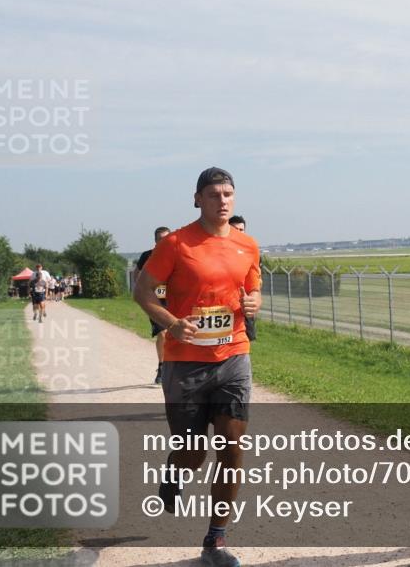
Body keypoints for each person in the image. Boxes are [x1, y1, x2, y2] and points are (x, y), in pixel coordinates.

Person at [133, 168, 261, 567]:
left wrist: (255, 301)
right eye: (213, 194)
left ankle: (215, 540)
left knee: (231, 447)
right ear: (197, 199)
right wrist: (173, 323)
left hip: (234, 356)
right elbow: (142, 291)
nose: (222, 200)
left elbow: (252, 286)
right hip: (185, 363)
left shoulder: (248, 245)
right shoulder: (175, 243)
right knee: (193, 453)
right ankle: (175, 470)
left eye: (228, 194)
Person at [136, 226, 172, 383]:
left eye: (166, 239)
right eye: (160, 240)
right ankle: (162, 366)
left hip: (175, 301)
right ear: (155, 242)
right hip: (155, 302)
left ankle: (176, 366)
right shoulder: (147, 256)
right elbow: (137, 275)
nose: (163, 242)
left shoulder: (177, 254)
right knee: (163, 333)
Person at [228, 216, 255, 342]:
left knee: (245, 339)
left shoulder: (250, 250)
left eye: (241, 230)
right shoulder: (220, 251)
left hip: (244, 304)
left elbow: (256, 279)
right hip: (225, 305)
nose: (238, 233)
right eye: (235, 229)